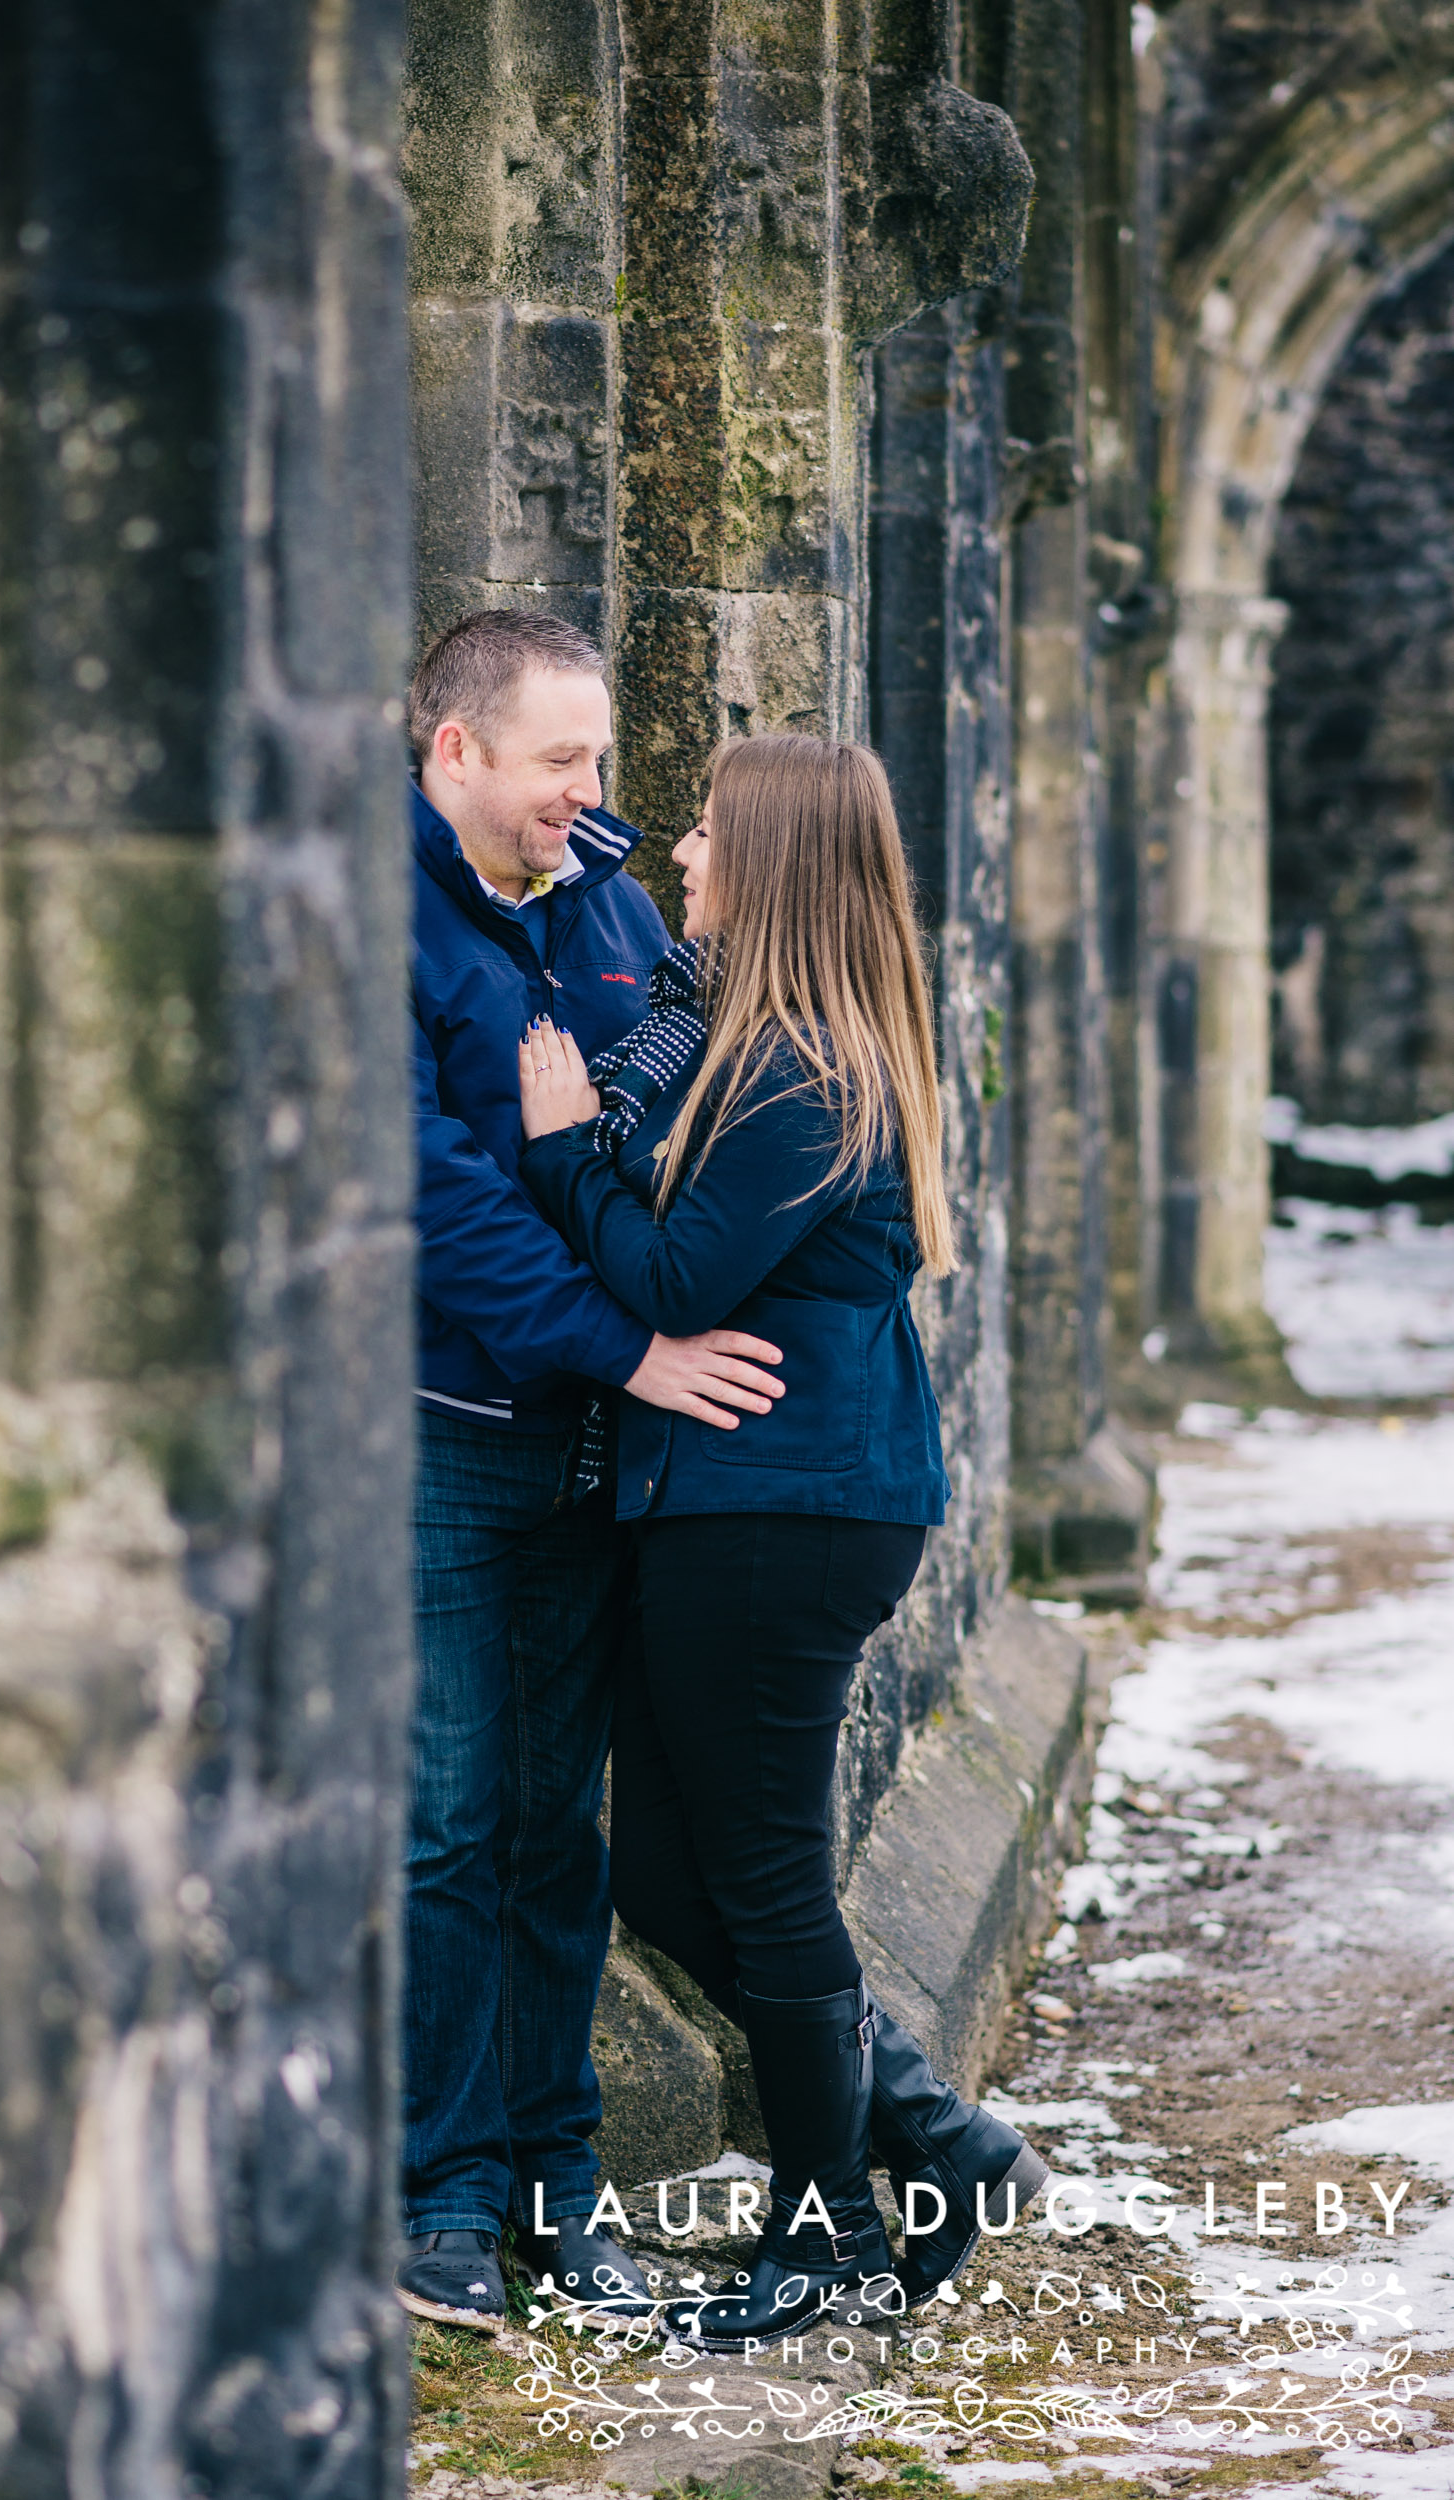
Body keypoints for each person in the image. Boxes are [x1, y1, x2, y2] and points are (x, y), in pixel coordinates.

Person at [518, 732, 1049, 2351]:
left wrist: (557, 1146)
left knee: (755, 1873)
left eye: (703, 832)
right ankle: (932, 2142)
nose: (679, 851)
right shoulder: (761, 1042)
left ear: (774, 859)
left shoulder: (808, 1065)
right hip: (741, 1503)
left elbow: (674, 1281)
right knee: (680, 1879)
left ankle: (824, 2235)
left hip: (786, 1510)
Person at [400, 611, 789, 2332]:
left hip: (597, 1453)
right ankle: (441, 2196)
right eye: (557, 760)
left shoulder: (618, 901)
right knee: (444, 1819)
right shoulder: (374, 916)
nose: (587, 792)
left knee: (565, 1829)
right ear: (454, 751)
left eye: (598, 761)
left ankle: (561, 2185)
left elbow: (683, 1105)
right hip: (441, 1435)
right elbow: (431, 1204)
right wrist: (630, 1344)